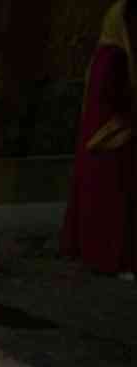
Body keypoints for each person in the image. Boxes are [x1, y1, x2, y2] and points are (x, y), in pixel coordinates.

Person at [60, 0, 136, 281]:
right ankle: (108, 259)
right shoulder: (113, 56)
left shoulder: (109, 52)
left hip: (107, 139)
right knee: (111, 200)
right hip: (110, 141)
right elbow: (112, 99)